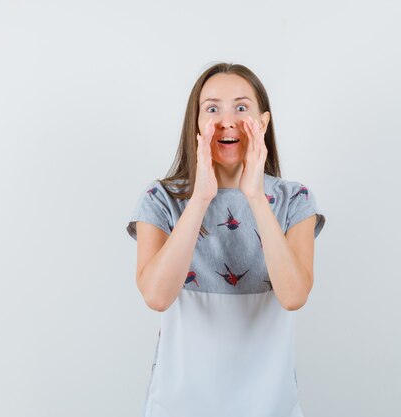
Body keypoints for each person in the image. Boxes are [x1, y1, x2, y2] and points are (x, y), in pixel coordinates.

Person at [126, 62, 326, 417]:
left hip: (269, 406)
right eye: (212, 108)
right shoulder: (160, 199)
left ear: (263, 123)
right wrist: (200, 197)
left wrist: (255, 196)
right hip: (178, 406)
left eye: (241, 107)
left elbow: (294, 295)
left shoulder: (295, 200)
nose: (227, 120)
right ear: (197, 123)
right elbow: (156, 296)